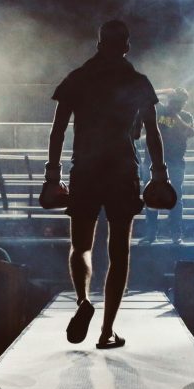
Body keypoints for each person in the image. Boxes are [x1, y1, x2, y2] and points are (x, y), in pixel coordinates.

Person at [44, 19, 170, 349]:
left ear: (98, 43)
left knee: (81, 246)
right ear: (126, 45)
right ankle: (107, 331)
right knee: (119, 253)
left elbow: (58, 131)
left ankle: (84, 300)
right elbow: (153, 133)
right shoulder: (137, 82)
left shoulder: (78, 78)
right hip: (121, 170)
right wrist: (160, 174)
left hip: (85, 169)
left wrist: (52, 176)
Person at [140, 87, 194, 245]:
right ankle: (151, 235)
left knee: (176, 197)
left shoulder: (185, 116)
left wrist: (175, 115)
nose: (178, 104)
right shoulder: (158, 111)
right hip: (152, 161)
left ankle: (176, 235)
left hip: (175, 161)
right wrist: (165, 92)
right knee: (151, 197)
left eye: (181, 102)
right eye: (176, 101)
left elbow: (190, 133)